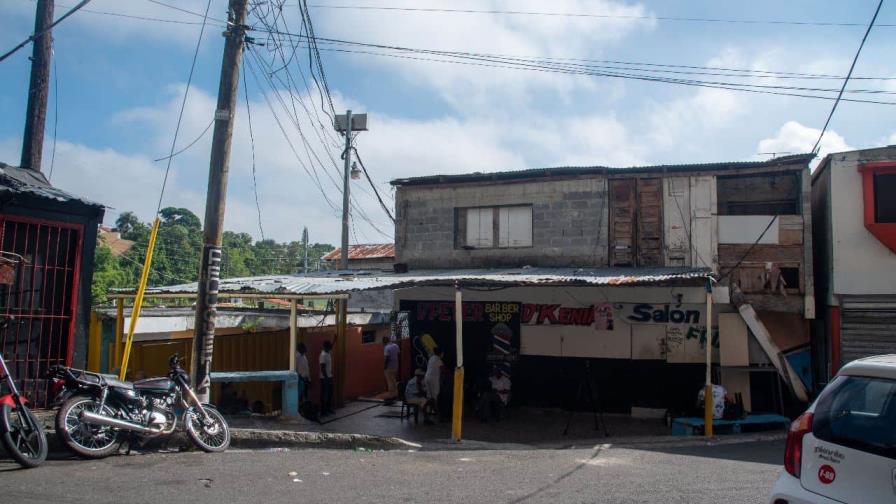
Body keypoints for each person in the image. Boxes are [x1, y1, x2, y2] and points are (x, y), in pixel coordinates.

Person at [424, 347, 444, 415]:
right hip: (434, 379)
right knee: (435, 395)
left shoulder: (431, 358)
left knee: (429, 395)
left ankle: (428, 410)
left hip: (427, 377)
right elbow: (443, 369)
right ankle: (436, 412)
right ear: (440, 353)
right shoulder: (438, 360)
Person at [382, 336, 400, 400]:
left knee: (390, 382)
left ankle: (391, 395)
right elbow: (398, 354)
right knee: (394, 380)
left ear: (384, 341)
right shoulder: (395, 345)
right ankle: (396, 394)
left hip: (389, 367)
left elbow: (387, 358)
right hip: (396, 366)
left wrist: (385, 367)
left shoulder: (386, 348)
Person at [319, 340, 334, 415]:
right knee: (324, 394)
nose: (330, 348)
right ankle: (323, 411)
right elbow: (322, 368)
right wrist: (326, 378)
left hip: (329, 376)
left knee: (330, 394)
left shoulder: (328, 353)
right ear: (325, 347)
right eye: (329, 347)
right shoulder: (323, 355)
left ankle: (328, 409)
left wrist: (334, 339)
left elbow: (332, 345)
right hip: (324, 378)